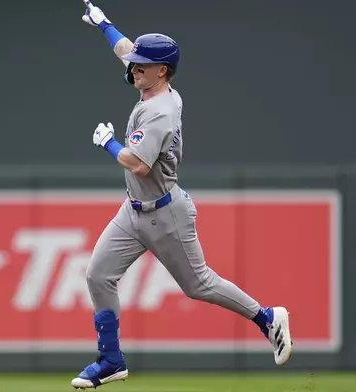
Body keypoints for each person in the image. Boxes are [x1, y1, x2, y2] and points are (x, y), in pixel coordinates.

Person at [71, 3, 292, 389]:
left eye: (143, 64)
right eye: (136, 63)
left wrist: (107, 143)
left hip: (164, 213)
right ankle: (111, 360)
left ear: (163, 71)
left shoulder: (159, 111)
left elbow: (137, 164)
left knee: (199, 285)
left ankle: (268, 318)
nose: (134, 67)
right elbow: (126, 50)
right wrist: (105, 25)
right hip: (133, 210)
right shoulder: (154, 83)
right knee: (98, 275)